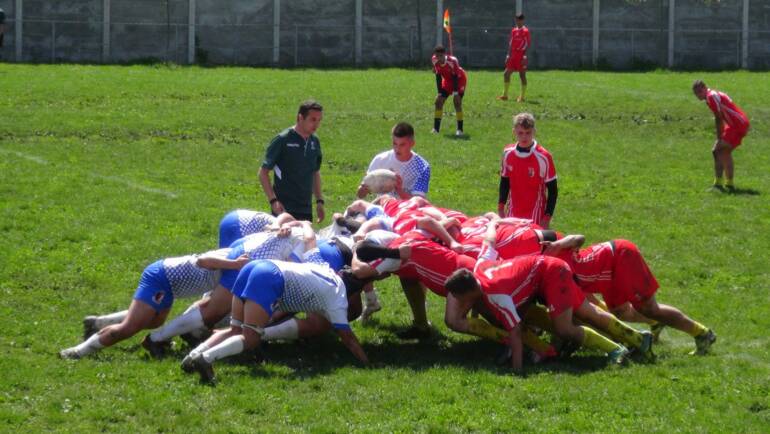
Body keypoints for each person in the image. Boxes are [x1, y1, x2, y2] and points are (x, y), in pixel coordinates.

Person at [182, 239, 368, 384]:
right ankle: (206, 359)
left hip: (255, 267)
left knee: (234, 330)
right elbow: (348, 338)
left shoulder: (325, 267)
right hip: (269, 278)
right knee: (251, 337)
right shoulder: (338, 298)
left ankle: (192, 356)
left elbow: (311, 245)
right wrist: (366, 363)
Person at [59, 249, 250, 359]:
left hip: (169, 286)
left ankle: (96, 323)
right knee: (128, 329)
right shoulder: (238, 256)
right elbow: (202, 260)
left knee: (152, 322)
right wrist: (234, 264)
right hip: (161, 278)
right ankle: (77, 352)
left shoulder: (243, 256)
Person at [543, 235, 717, 355]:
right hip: (607, 273)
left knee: (650, 308)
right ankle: (655, 324)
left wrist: (559, 244)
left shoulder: (556, 262)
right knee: (621, 312)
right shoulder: (553, 264)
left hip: (620, 257)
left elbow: (579, 237)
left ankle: (702, 333)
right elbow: (588, 302)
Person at [259, 100, 326, 222]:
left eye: (319, 120)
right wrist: (273, 201)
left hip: (306, 209)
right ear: (300, 117)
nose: (316, 124)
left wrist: (319, 201)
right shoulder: (283, 139)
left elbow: (315, 172)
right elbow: (263, 173)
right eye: (313, 119)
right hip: (284, 208)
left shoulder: (314, 142)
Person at [498, 113, 557, 228]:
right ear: (514, 132)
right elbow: (504, 182)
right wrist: (501, 208)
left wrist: (547, 217)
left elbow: (553, 190)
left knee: (531, 245)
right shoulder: (507, 153)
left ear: (534, 131)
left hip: (536, 215)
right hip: (512, 213)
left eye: (528, 133)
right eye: (520, 133)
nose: (524, 137)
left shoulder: (544, 157)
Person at [692, 80, 750, 192]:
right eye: (696, 93)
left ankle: (724, 184)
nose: (698, 95)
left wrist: (719, 138)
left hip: (737, 125)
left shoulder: (711, 97)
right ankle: (722, 184)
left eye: (700, 91)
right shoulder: (712, 95)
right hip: (734, 124)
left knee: (720, 150)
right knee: (719, 151)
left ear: (705, 88)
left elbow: (718, 118)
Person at [357, 122, 431, 200]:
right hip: (383, 207)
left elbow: (418, 203)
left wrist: (399, 190)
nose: (397, 149)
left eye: (402, 145)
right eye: (395, 144)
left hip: (406, 210)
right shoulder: (380, 159)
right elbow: (360, 195)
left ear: (412, 143)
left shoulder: (422, 167)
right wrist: (363, 190)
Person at [430, 45, 467, 136]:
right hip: (447, 81)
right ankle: (436, 129)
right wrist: (439, 92)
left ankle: (460, 130)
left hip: (459, 80)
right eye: (437, 56)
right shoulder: (434, 60)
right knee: (438, 102)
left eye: (441, 56)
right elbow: (438, 75)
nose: (439, 58)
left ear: (445, 54)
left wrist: (455, 93)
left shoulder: (453, 61)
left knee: (457, 103)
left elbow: (455, 77)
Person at [497, 13, 530, 102]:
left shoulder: (526, 31)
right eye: (516, 20)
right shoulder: (514, 31)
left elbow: (528, 45)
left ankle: (522, 97)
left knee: (522, 75)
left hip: (521, 56)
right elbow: (510, 44)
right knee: (506, 74)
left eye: (519, 20)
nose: (517, 22)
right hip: (513, 55)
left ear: (523, 20)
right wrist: (508, 54)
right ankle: (505, 95)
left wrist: (525, 56)